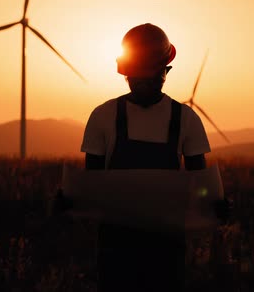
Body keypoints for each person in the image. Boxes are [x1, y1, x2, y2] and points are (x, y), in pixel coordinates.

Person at [78, 23, 227, 291]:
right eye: (136, 78)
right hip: (116, 244)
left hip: (166, 245)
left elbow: (199, 182)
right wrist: (71, 199)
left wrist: (213, 204)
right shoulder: (102, 116)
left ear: (165, 71)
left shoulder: (187, 119)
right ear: (125, 74)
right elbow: (92, 183)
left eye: (149, 78)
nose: (142, 84)